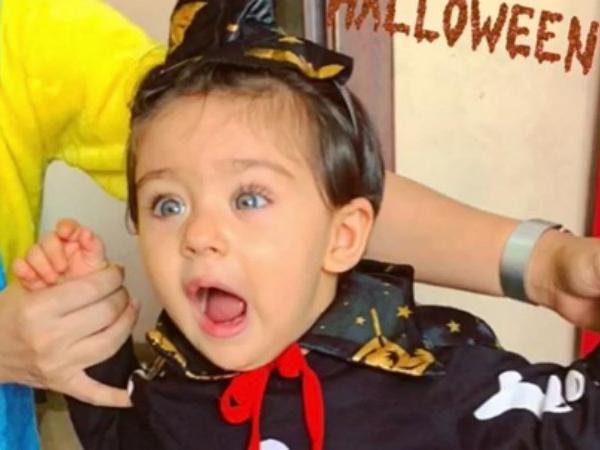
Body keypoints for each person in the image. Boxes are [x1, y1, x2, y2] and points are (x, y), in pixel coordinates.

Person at [3, 0, 600, 448]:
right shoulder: (171, 381)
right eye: (167, 205)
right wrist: (94, 344)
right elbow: (124, 435)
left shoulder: (439, 382)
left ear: (343, 235)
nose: (198, 234)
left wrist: (550, 263)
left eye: (249, 198)